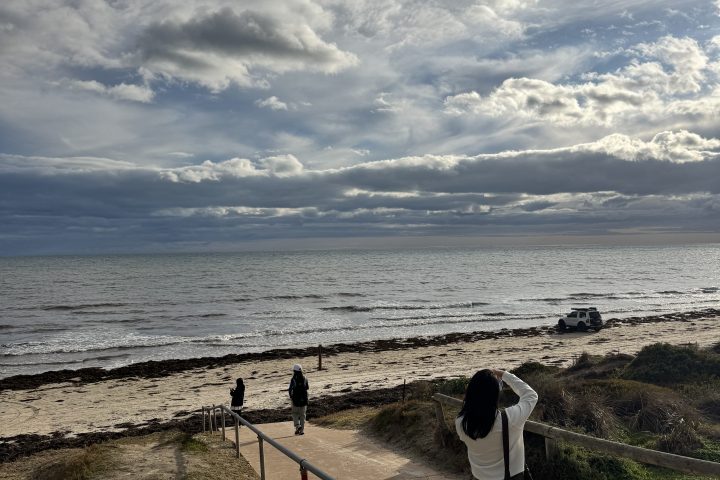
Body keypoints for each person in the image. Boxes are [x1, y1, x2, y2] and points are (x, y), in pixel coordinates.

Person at [455, 369, 538, 480]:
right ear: (496, 393)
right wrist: (504, 374)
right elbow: (531, 395)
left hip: (479, 477)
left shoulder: (461, 422)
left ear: (470, 391)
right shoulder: (510, 418)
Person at [288, 363, 309, 435]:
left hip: (295, 399)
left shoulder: (293, 379)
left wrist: (291, 397)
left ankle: (297, 425)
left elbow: (290, 389)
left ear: (294, 371)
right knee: (302, 415)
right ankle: (301, 430)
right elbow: (307, 387)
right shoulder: (305, 378)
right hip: (304, 399)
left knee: (295, 413)